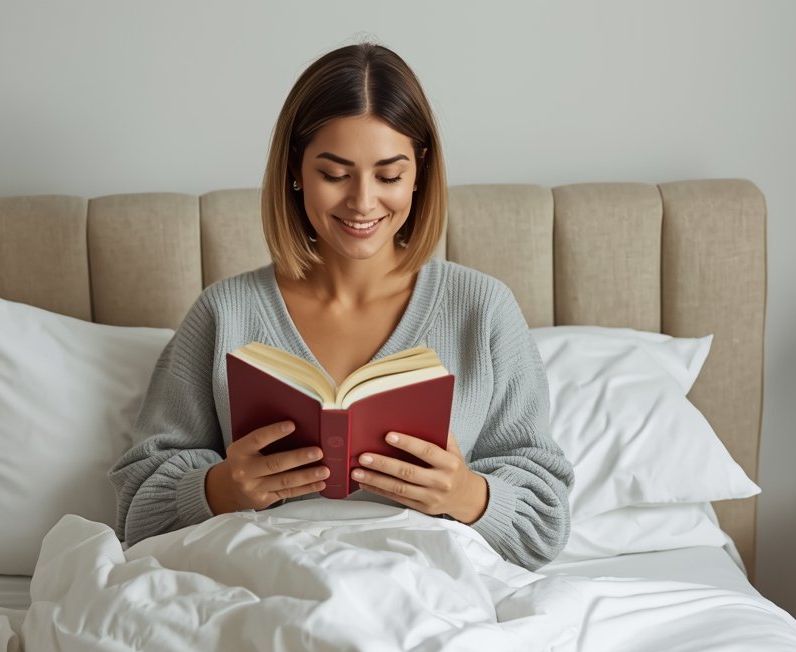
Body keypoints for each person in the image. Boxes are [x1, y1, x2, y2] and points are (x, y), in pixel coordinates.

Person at [108, 43, 573, 570]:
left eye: (389, 176)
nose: (363, 202)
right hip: (266, 583)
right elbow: (136, 512)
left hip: (424, 588)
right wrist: (220, 488)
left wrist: (466, 495)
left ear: (419, 172)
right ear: (296, 169)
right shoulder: (225, 313)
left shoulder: (482, 311)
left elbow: (545, 525)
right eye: (334, 174)